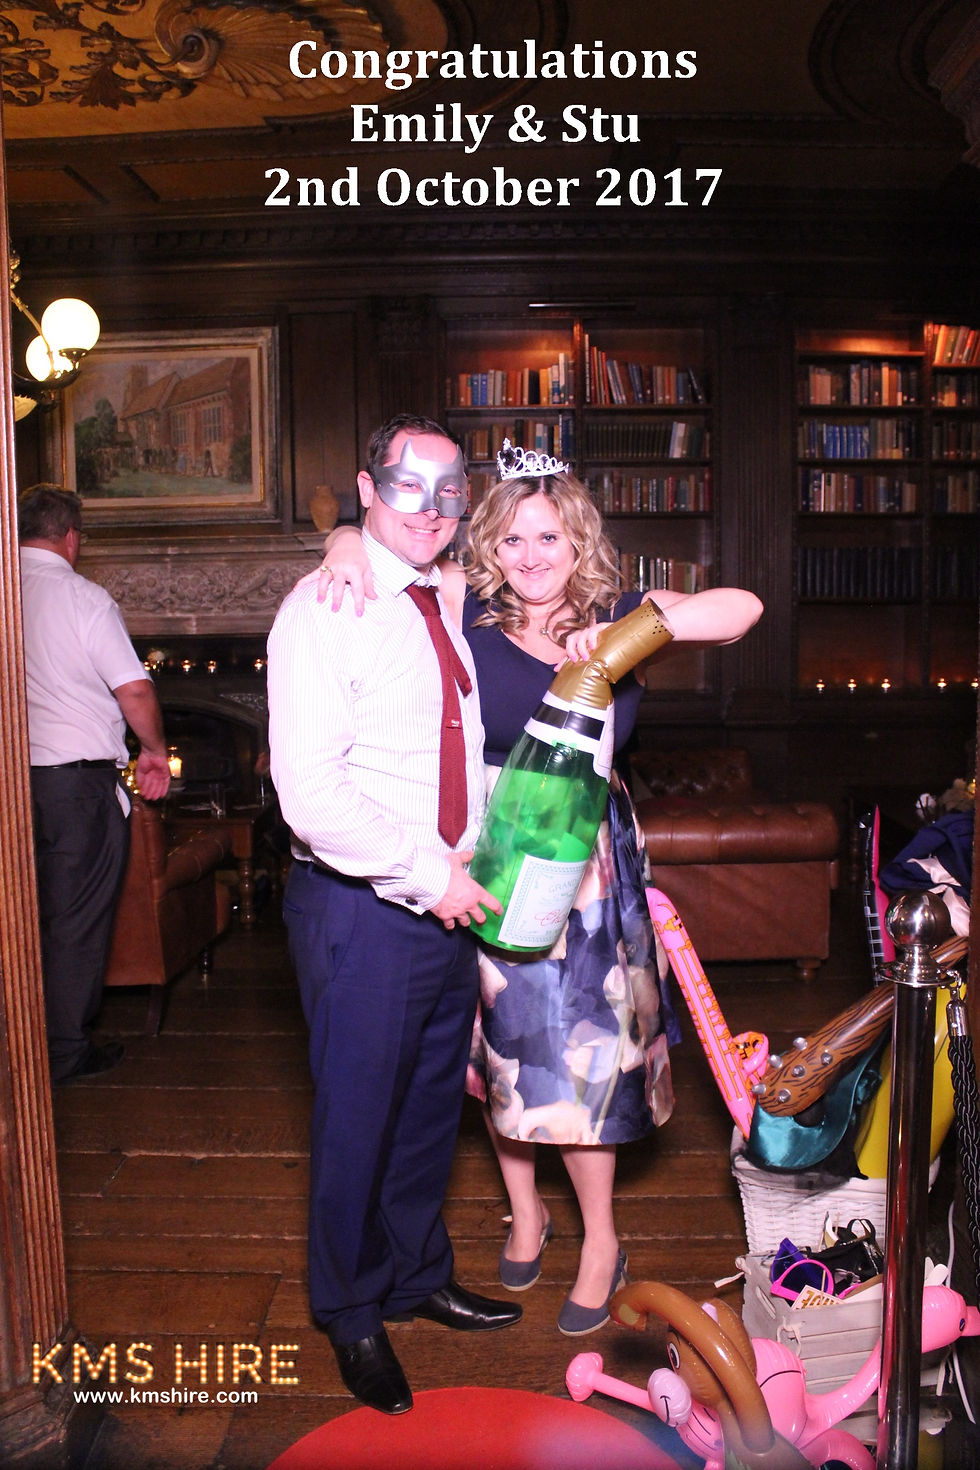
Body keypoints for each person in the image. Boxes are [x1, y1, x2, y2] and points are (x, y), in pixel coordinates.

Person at [317, 440, 763, 1335]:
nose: (530, 556)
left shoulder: (620, 612)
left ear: (578, 541)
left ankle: (601, 1240)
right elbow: (375, 548)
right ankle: (527, 1213)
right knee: (498, 1051)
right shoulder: (462, 606)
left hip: (588, 862)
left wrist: (626, 639)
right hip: (489, 852)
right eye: (512, 538)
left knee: (579, 1058)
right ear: (489, 544)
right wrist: (339, 543)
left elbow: (742, 608)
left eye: (549, 537)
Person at [266, 415, 521, 1420]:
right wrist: (428, 874)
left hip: (442, 898)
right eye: (407, 486)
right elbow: (310, 795)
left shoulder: (440, 596)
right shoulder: (323, 609)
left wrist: (473, 863)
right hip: (362, 904)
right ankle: (350, 1310)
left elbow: (446, 747)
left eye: (450, 490)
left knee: (425, 1112)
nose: (431, 507)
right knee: (357, 1118)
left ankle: (416, 1276)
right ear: (367, 489)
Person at [18, 484, 171, 1084]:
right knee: (74, 921)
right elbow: (133, 689)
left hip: (14, 786)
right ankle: (61, 1053)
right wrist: (154, 751)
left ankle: (18, 1050)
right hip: (75, 790)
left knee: (21, 919)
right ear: (71, 538)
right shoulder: (83, 598)